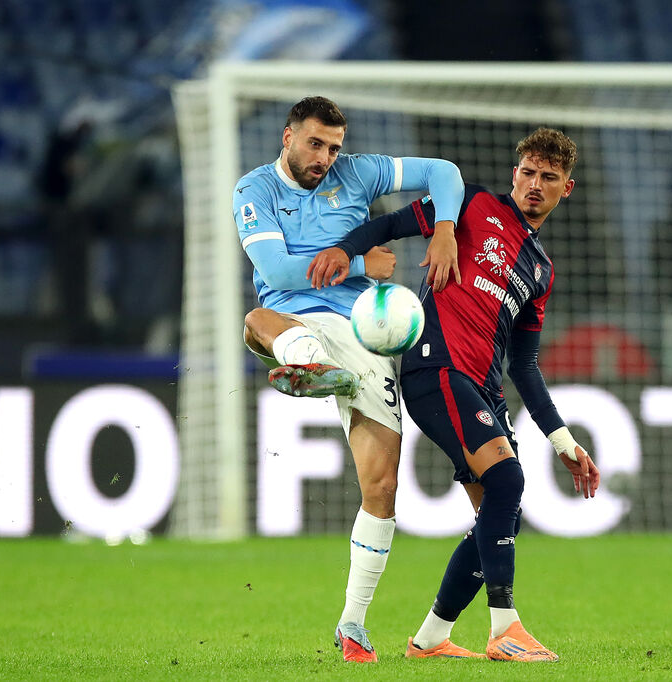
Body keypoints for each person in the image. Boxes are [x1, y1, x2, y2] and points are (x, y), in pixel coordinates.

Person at [307, 127, 600, 662]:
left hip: (483, 386)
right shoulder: (471, 205)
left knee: (499, 514)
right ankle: (505, 627)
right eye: (528, 173)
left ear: (567, 188)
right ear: (516, 173)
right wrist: (345, 251)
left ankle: (431, 638)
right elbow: (392, 224)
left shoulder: (540, 271)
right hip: (436, 367)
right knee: (508, 478)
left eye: (548, 178)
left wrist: (564, 441)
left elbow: (526, 365)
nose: (535, 185)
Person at [233, 96, 464, 663]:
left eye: (333, 146)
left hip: (365, 330)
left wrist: (445, 227)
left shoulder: (359, 171)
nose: (326, 157)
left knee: (381, 486)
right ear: (287, 137)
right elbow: (279, 271)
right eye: (315, 144)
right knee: (256, 320)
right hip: (293, 315)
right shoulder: (254, 190)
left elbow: (446, 173)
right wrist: (364, 263)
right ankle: (308, 363)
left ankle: (353, 625)